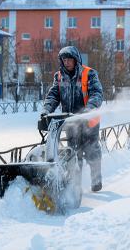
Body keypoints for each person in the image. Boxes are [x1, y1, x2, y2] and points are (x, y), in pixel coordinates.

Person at [41, 46, 104, 192]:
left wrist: (89, 109)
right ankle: (75, 185)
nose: (67, 62)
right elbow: (53, 96)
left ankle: (96, 180)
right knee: (73, 153)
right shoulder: (59, 76)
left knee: (91, 152)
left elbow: (97, 93)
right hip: (70, 122)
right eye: (64, 59)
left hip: (89, 121)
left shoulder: (89, 74)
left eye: (70, 59)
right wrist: (46, 110)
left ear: (76, 60)